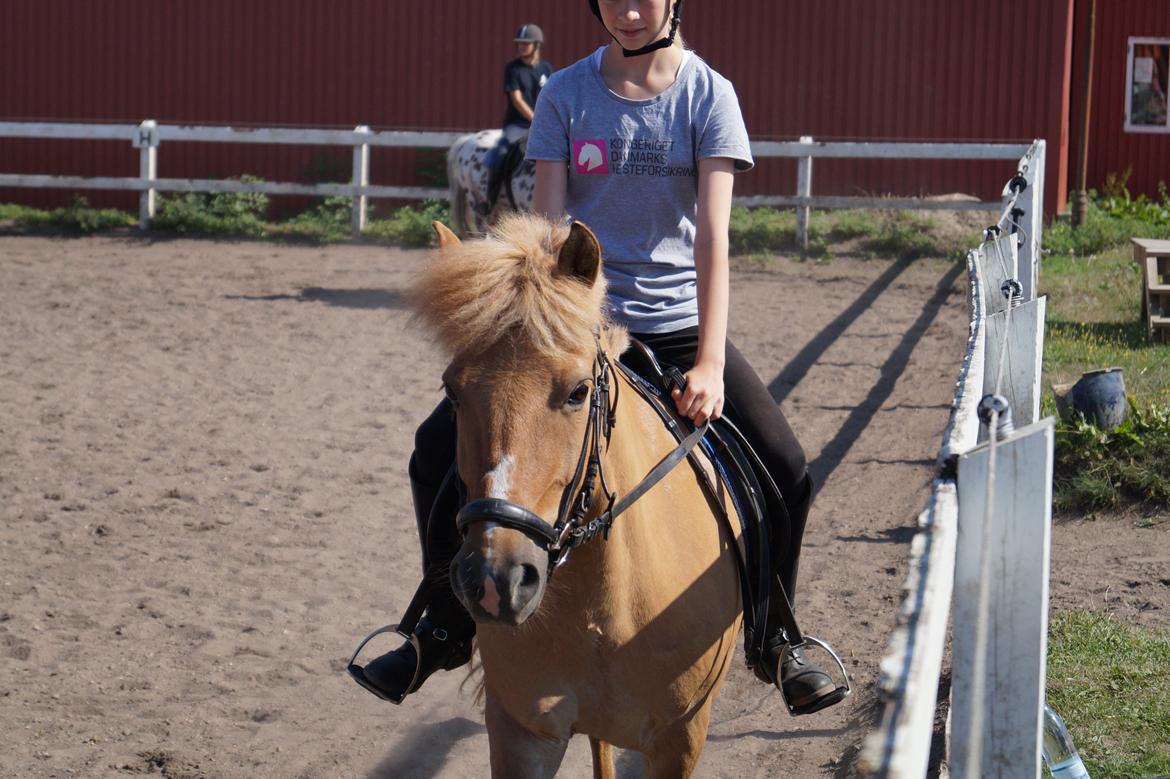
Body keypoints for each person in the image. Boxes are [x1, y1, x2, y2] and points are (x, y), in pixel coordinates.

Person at [350, 0, 844, 718]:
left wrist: (708, 362)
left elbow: (712, 238)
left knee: (785, 466)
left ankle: (776, 636)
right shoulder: (567, 93)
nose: (630, 11)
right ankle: (439, 626)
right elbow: (545, 233)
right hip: (573, 322)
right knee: (434, 451)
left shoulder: (710, 96)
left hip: (674, 323)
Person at [481, 23, 554, 214]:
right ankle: (488, 201)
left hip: (543, 125)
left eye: (526, 43)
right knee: (499, 156)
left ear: (536, 45)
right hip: (517, 125)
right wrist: (536, 119)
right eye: (520, 43)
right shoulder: (512, 69)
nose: (522, 46)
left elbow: (551, 96)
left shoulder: (546, 69)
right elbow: (516, 98)